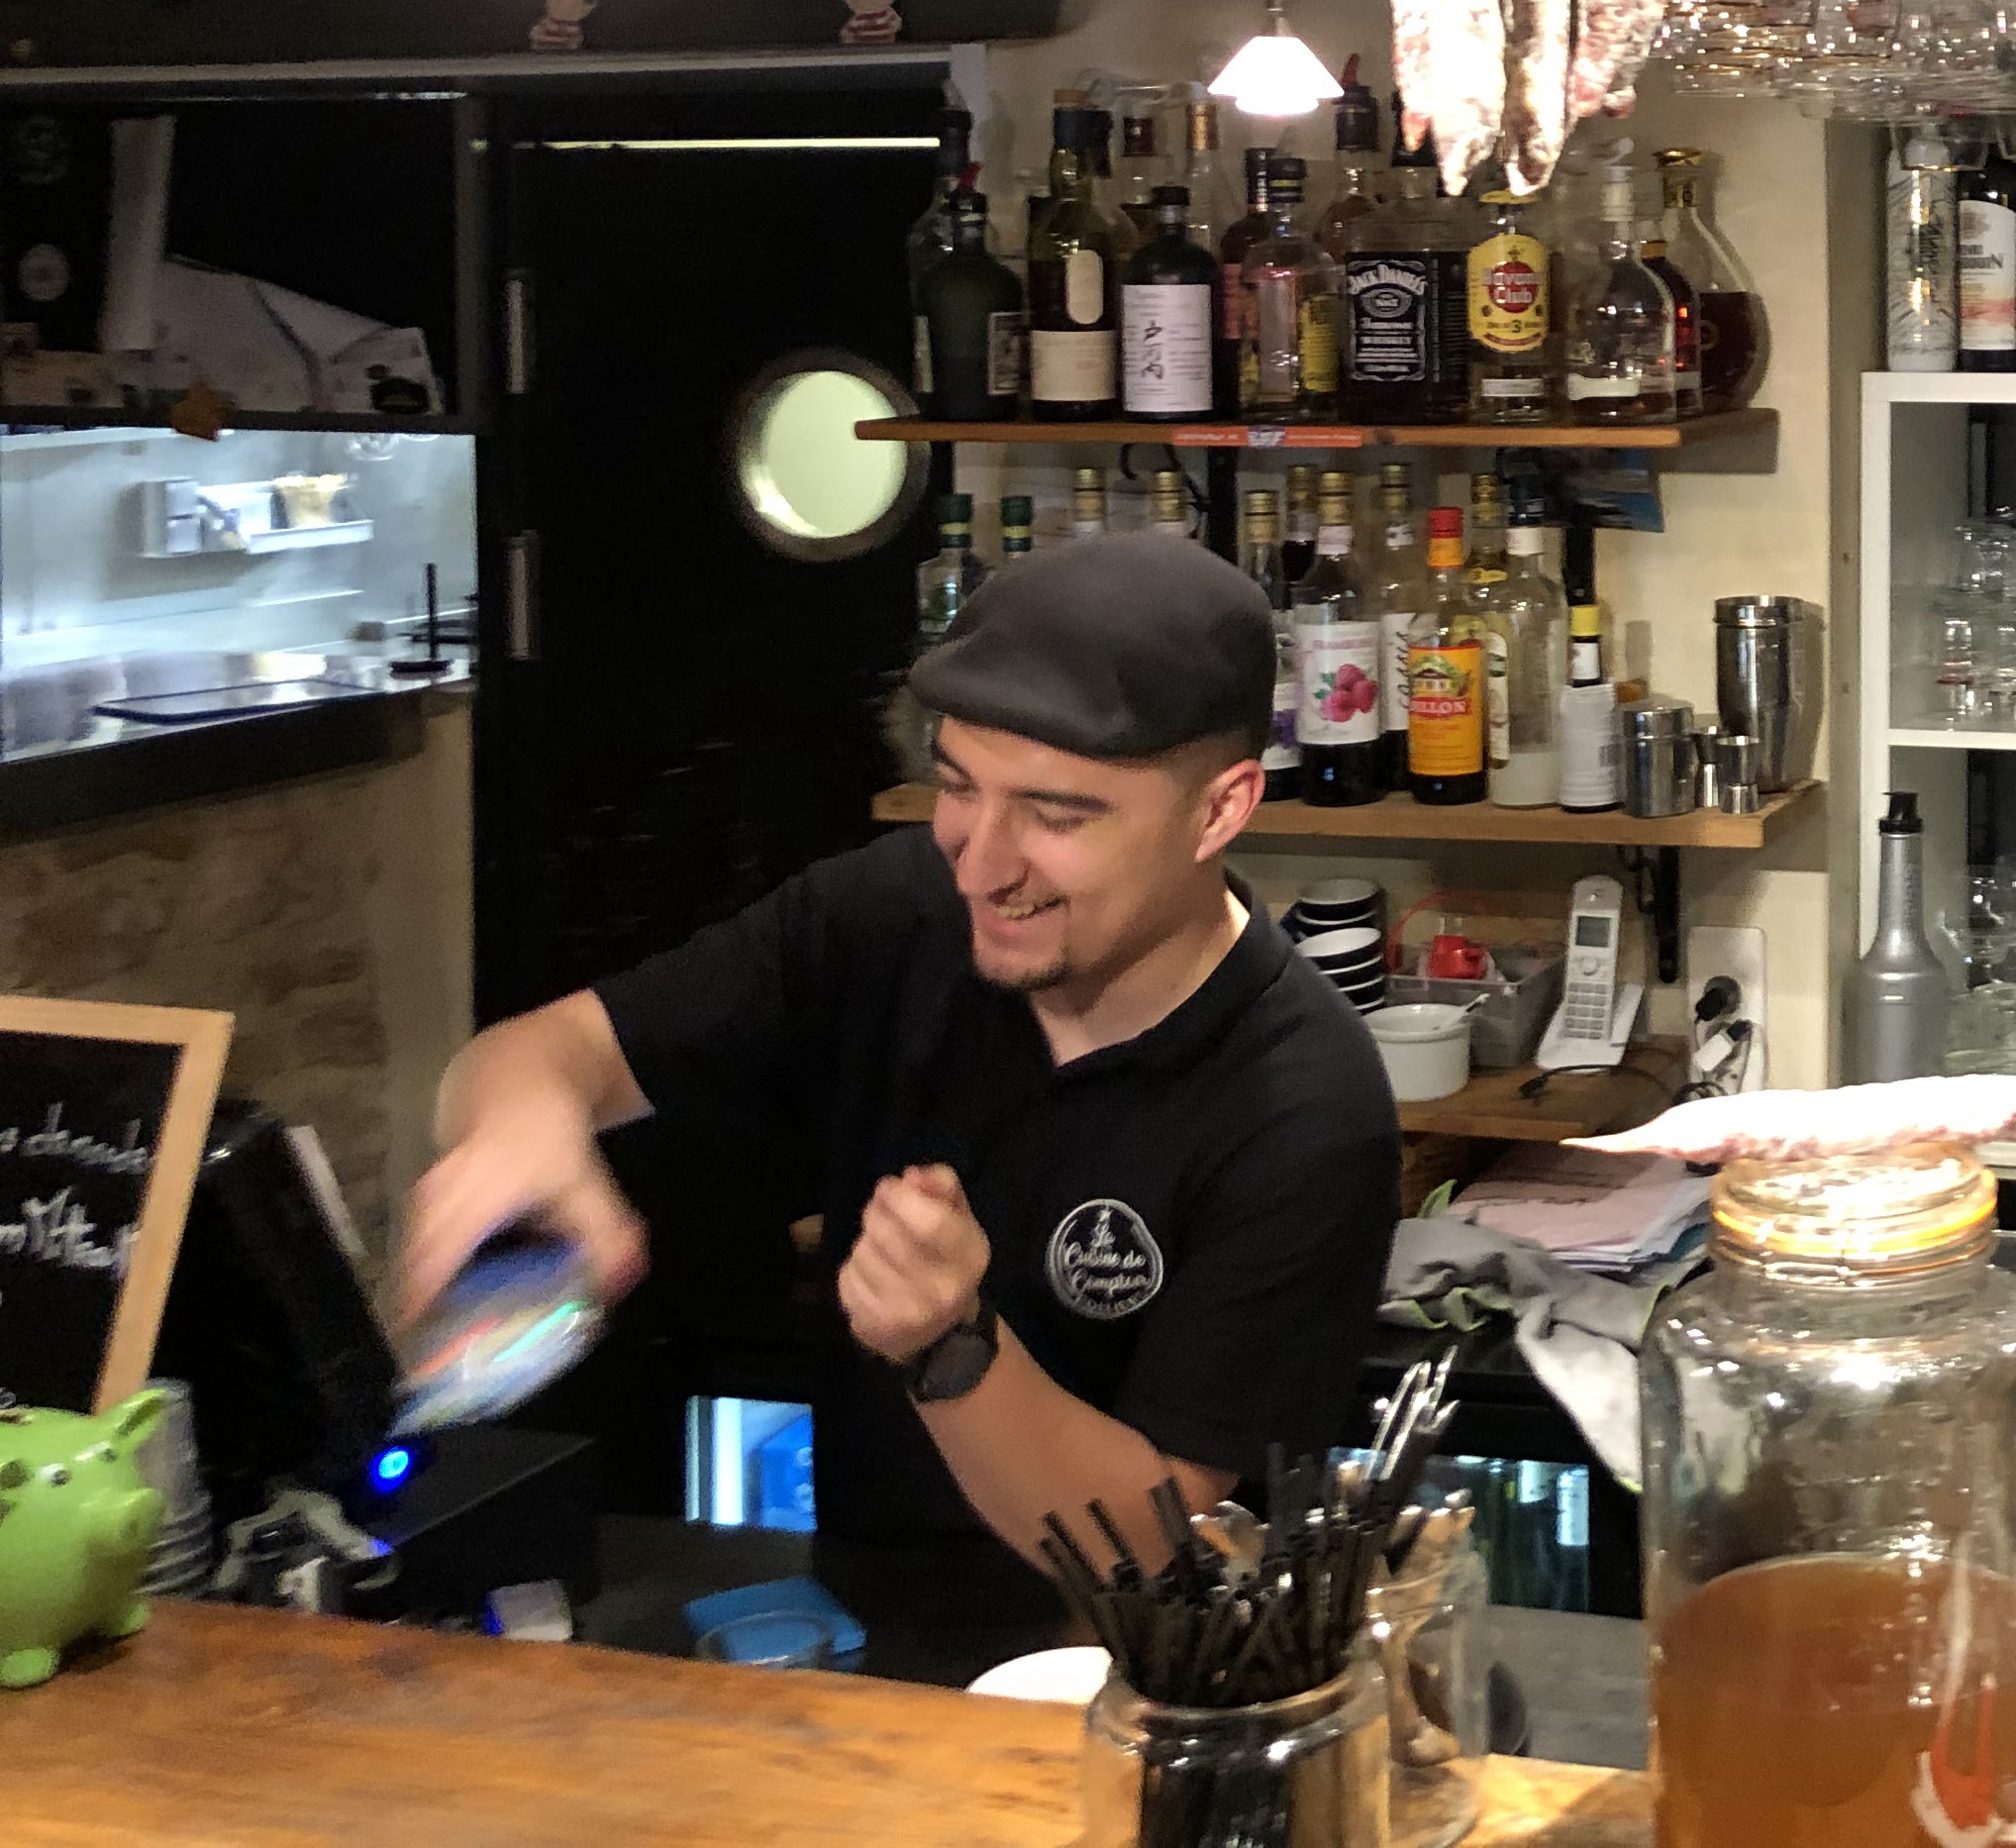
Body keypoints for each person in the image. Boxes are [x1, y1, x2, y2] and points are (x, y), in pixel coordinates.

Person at [398, 527, 1400, 1646]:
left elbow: (1157, 1546)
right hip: (866, 1636)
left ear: (1220, 810)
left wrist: (951, 1348)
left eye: (1057, 815)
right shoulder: (889, 914)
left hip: (1153, 1686)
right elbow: (543, 1052)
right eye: (960, 788)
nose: (983, 863)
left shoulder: (1303, 1102)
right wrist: (524, 1125)